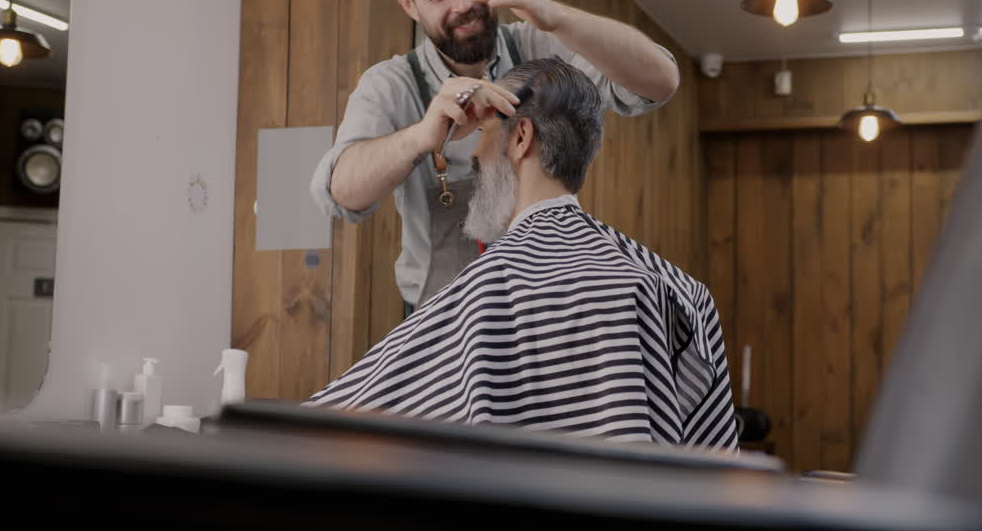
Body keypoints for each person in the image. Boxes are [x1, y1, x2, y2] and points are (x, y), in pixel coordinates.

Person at [307, 58, 737, 450]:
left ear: (521, 138)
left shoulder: (489, 292)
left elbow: (334, 427)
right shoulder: (679, 287)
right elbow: (711, 457)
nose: (475, 152)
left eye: (484, 134)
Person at [310, 0, 680, 314]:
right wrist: (419, 138)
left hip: (543, 314)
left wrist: (555, 16)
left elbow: (661, 82)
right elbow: (339, 192)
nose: (463, 4)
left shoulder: (540, 47)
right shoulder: (391, 86)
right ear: (408, 4)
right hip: (442, 327)